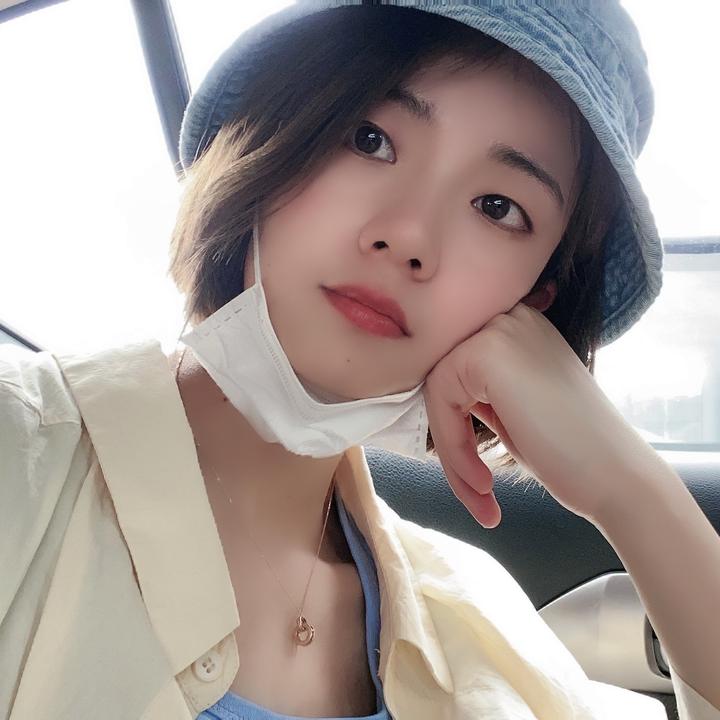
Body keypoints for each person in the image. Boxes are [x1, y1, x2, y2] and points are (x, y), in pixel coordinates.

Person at [1, 2, 718, 719]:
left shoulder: (476, 624)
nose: (408, 236)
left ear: (532, 305)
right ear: (269, 138)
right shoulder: (19, 452)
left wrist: (633, 494)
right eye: (369, 139)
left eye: (498, 207)